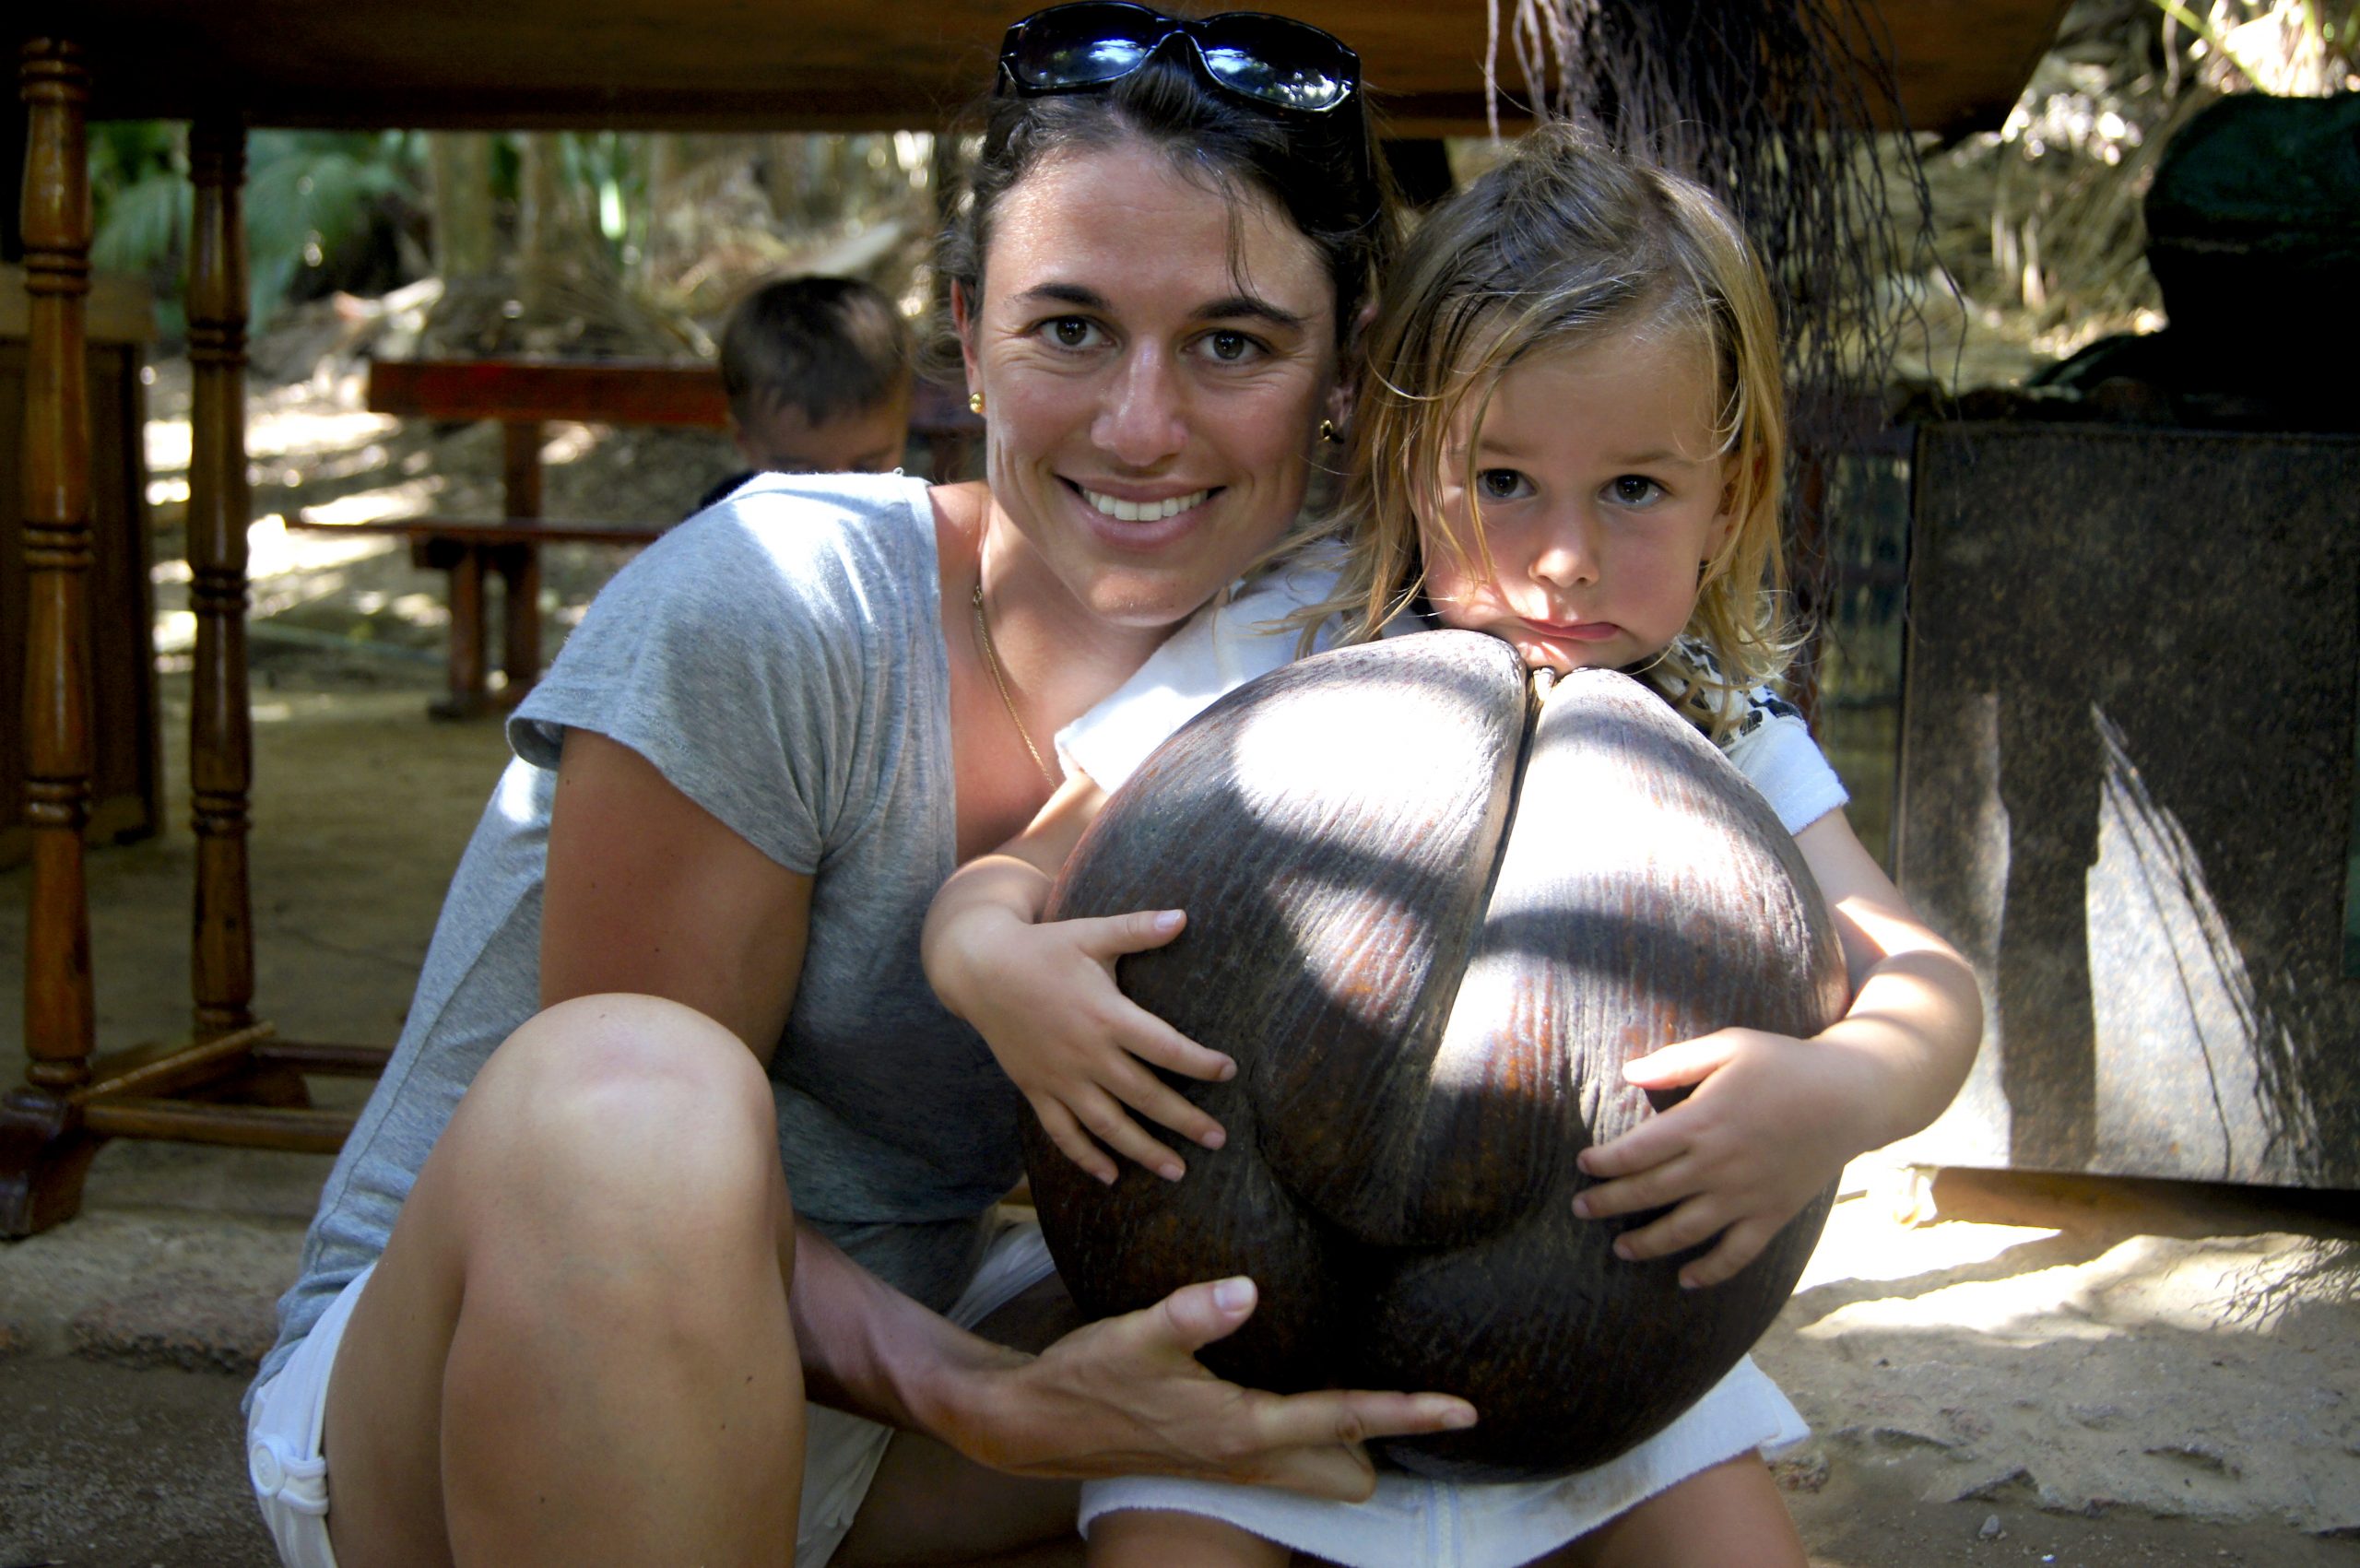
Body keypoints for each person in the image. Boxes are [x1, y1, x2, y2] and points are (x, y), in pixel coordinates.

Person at [238, 8, 1485, 1568]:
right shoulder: (779, 601)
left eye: (1233, 342)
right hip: (488, 1372)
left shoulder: (1325, 656)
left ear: (1345, 370)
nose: (1142, 424)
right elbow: (614, 1170)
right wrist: (982, 1398)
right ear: (968, 338)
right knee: (641, 1100)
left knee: (1423, 1304)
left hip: (880, 1380)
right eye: (1070, 329)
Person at [922, 121, 1984, 1567]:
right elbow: (1018, 870)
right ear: (1415, 465)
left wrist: (1844, 1090)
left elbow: (1925, 979)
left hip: (1608, 1374)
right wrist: (992, 965)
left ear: (1729, 496)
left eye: (1635, 490)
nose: (1562, 557)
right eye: (1502, 482)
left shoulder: (1730, 731)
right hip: (1237, 1355)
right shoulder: (1279, 650)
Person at [690, 274, 917, 513]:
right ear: (745, 441)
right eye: (802, 474)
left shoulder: (919, 523)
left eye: (866, 469)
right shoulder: (721, 523)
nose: (840, 498)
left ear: (903, 427)